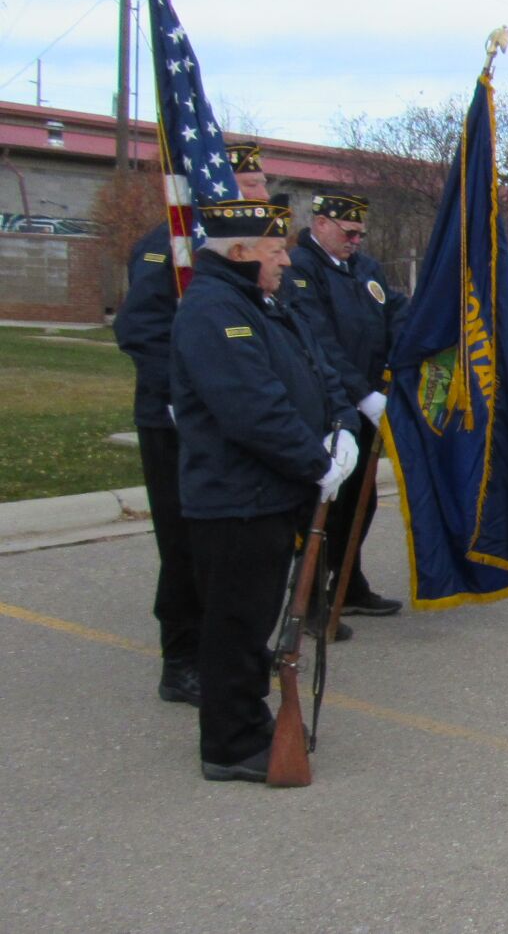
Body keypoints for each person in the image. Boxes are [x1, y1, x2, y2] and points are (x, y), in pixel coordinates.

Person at [170, 200, 360, 782]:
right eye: (275, 250)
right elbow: (250, 407)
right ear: (239, 252)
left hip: (270, 493)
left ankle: (250, 724)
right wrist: (313, 461)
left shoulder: (263, 303)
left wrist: (342, 428)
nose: (286, 259)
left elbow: (318, 369)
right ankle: (231, 744)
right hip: (236, 498)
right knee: (236, 626)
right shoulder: (213, 310)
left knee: (255, 618)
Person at [113, 142, 268, 707]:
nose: (261, 193)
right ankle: (181, 658)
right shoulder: (170, 245)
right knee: (183, 543)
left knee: (221, 545)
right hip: (172, 418)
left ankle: (220, 646)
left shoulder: (237, 250)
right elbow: (142, 332)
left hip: (221, 417)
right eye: (251, 184)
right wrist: (183, 391)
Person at [285, 191, 408, 622]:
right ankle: (311, 597)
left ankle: (349, 583)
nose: (356, 240)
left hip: (368, 403)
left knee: (362, 500)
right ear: (321, 224)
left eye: (360, 233)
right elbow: (319, 342)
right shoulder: (300, 269)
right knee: (326, 503)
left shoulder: (364, 268)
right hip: (328, 405)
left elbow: (395, 311)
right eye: (348, 232)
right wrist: (361, 393)